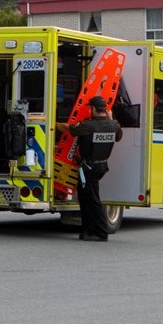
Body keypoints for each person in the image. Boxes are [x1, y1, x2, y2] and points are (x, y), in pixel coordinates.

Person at [56, 95, 122, 242]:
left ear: (93, 109)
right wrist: (111, 118)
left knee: (92, 200)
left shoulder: (89, 126)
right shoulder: (113, 125)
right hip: (100, 166)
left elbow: (68, 128)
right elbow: (118, 136)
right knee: (86, 199)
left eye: (90, 108)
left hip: (89, 168)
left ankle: (101, 232)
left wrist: (52, 123)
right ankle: (88, 231)